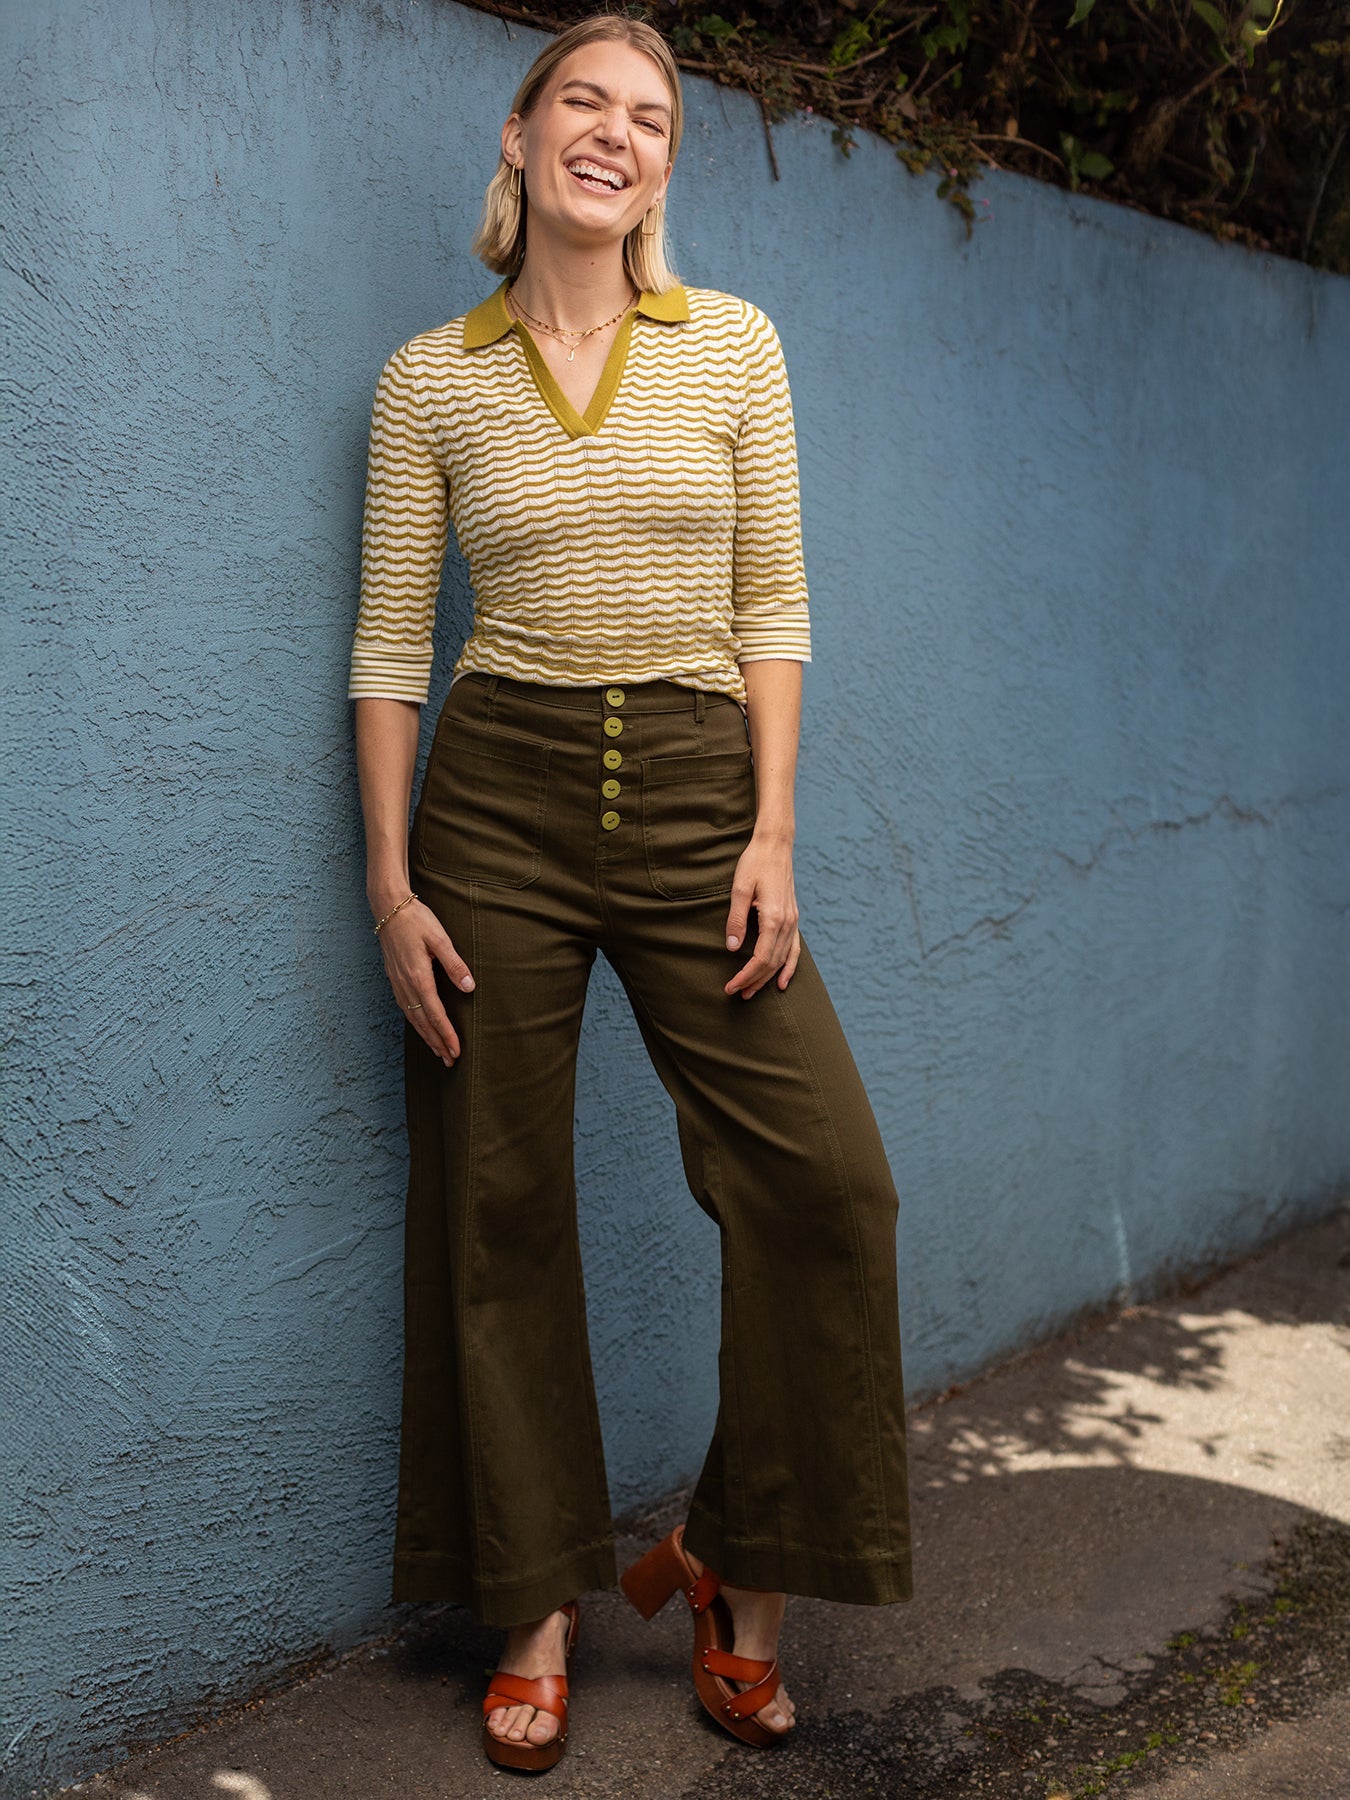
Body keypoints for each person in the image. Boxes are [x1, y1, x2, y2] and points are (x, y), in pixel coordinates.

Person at [349, 13, 912, 1775]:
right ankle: (534, 1604)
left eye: (649, 117)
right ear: (519, 140)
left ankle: (735, 1563)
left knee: (827, 1187)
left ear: (663, 165)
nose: (614, 132)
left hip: (694, 794)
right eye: (581, 102)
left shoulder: (731, 344)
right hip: (494, 802)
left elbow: (773, 609)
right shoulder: (430, 380)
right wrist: (390, 882)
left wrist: (771, 832)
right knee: (494, 1207)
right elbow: (389, 647)